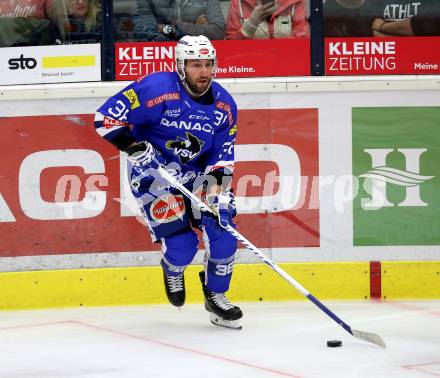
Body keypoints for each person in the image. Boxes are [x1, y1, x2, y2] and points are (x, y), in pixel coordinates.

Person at [94, 35, 243, 329]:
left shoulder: (225, 106)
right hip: (154, 175)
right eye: (195, 65)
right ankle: (172, 268)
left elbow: (223, 157)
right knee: (183, 246)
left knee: (223, 232)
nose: (204, 72)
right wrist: (135, 148)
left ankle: (216, 295)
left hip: (198, 176)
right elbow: (105, 119)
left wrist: (216, 195)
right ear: (180, 66)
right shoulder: (156, 88)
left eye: (208, 64)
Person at [133, 0, 225, 41]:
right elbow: (145, 34)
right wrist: (196, 30)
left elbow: (218, 31)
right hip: (163, 58)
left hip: (198, 58)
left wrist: (172, 27)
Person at [225, 0, 309, 39]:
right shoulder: (238, 2)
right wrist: (251, 24)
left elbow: (302, 40)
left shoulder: (295, 1)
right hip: (250, 64)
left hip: (288, 63)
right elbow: (231, 47)